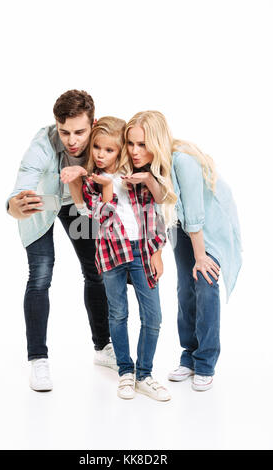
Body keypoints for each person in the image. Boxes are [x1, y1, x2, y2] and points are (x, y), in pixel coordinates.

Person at [7, 90, 117, 392]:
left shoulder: (103, 138)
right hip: (42, 205)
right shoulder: (42, 144)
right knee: (40, 277)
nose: (72, 140)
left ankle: (102, 347)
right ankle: (37, 359)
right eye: (64, 131)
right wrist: (13, 205)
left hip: (79, 205)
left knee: (95, 271)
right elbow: (24, 181)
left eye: (80, 132)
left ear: (92, 123)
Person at [61, 115, 176, 401]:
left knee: (153, 316)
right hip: (111, 255)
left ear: (121, 149)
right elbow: (100, 222)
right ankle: (126, 371)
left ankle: (145, 374)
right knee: (118, 314)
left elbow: (157, 212)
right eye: (97, 148)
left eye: (109, 150)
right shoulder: (91, 182)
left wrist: (158, 251)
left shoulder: (135, 175)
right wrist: (105, 188)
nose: (101, 155)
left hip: (142, 253)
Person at [166, 129, 242, 391]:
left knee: (205, 285)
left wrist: (200, 255)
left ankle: (206, 361)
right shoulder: (150, 166)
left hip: (207, 228)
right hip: (180, 227)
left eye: (141, 143)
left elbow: (196, 213)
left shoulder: (182, 160)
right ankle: (189, 355)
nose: (134, 149)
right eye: (130, 143)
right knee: (185, 289)